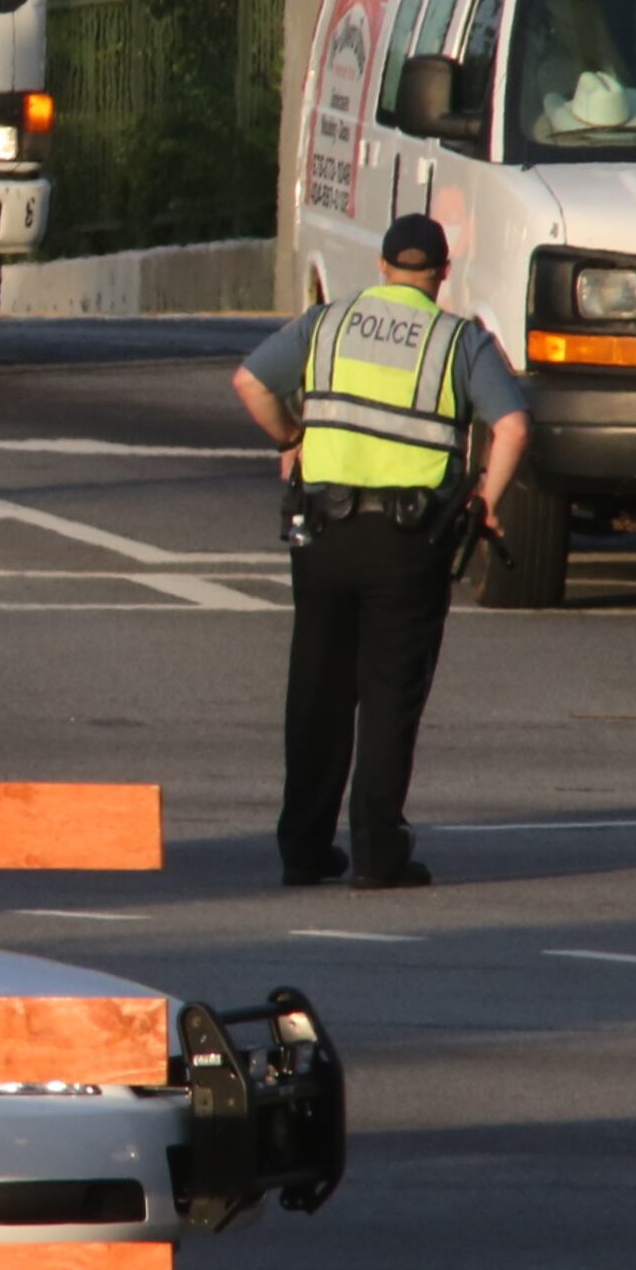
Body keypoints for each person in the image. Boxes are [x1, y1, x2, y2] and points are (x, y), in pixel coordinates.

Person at [227, 214, 531, 890]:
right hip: (408, 541)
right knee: (391, 694)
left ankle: (304, 848)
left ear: (384, 267)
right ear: (442, 275)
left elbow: (249, 382)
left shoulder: (329, 323)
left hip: (325, 536)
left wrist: (289, 442)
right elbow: (510, 424)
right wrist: (486, 501)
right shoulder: (459, 340)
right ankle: (375, 852)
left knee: (317, 689)